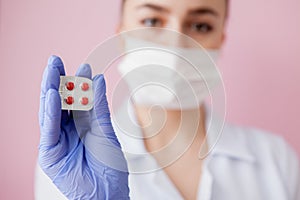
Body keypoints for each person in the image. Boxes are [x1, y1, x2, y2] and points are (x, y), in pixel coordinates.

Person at [35, 0, 300, 199]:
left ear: (220, 39)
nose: (176, 44)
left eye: (200, 25)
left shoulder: (276, 160)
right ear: (122, 34)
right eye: (152, 21)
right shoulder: (73, 165)